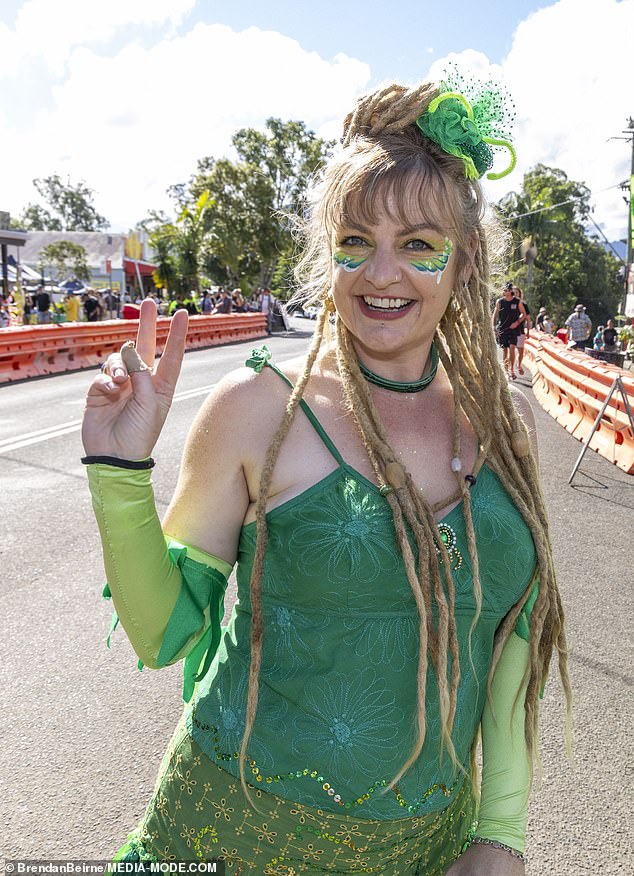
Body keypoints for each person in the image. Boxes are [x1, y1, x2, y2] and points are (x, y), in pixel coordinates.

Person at [83, 72, 571, 875]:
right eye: (356, 241)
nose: (382, 273)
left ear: (466, 258)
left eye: (418, 244)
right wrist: (118, 467)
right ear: (329, 251)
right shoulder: (258, 410)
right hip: (228, 839)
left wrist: (502, 834)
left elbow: (513, 637)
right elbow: (163, 631)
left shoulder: (505, 428)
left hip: (423, 851)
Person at [492, 281, 526, 380]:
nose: (506, 292)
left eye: (508, 290)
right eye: (504, 290)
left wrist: (517, 322)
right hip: (503, 328)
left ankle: (511, 369)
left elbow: (523, 314)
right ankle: (505, 370)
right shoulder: (500, 301)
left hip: (514, 329)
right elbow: (495, 314)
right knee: (505, 350)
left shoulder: (517, 301)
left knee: (512, 348)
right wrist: (494, 326)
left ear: (511, 291)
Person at [512, 287, 530, 376]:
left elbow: (528, 318)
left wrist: (528, 331)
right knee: (510, 350)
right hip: (510, 330)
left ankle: (519, 365)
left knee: (521, 351)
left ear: (519, 294)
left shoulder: (524, 304)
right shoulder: (508, 303)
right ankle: (510, 370)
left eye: (517, 293)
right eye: (514, 292)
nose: (515, 294)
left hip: (520, 330)